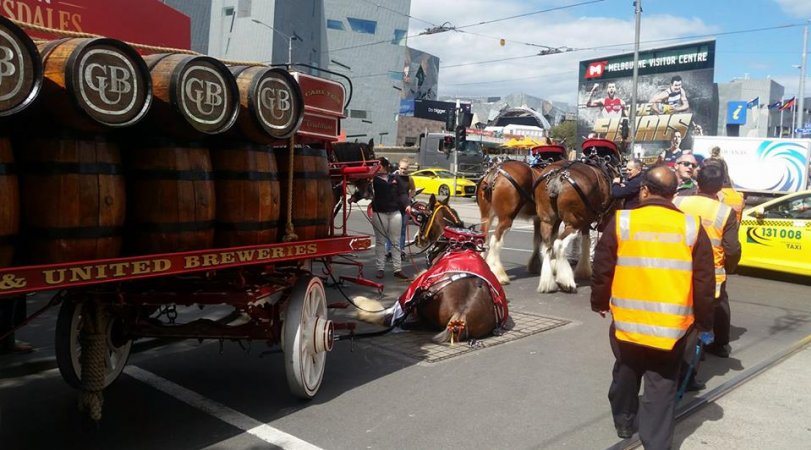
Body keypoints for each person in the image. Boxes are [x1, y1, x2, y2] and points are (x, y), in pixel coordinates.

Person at [591, 166, 715, 448]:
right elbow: (704, 281)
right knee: (662, 384)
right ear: (673, 194)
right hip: (671, 329)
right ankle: (656, 443)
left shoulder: (622, 221)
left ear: (644, 190)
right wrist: (704, 323)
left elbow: (602, 267)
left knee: (626, 369)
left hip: (627, 322)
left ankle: (624, 421)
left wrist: (599, 302)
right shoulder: (691, 227)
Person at [674, 164, 741, 361]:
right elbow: (732, 248)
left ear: (698, 182)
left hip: (679, 265)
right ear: (720, 186)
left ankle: (683, 347)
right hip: (712, 271)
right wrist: (730, 267)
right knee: (718, 306)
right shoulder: (724, 211)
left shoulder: (678, 202)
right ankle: (719, 345)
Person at [371, 157, 411, 281]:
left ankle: (397, 270)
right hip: (380, 213)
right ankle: (380, 269)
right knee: (380, 241)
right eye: (375, 166)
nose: (377, 168)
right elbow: (363, 190)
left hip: (395, 213)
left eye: (379, 165)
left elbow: (402, 193)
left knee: (396, 242)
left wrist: (407, 204)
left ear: (385, 166)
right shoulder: (373, 180)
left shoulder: (395, 178)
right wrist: (354, 198)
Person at [394, 158, 416, 260]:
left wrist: (409, 197)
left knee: (402, 230)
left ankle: (401, 251)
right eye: (402, 168)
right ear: (399, 167)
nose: (403, 170)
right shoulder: (394, 176)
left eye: (405, 168)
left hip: (405, 206)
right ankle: (388, 250)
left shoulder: (409, 178)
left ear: (408, 168)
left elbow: (413, 189)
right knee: (391, 230)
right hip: (393, 206)